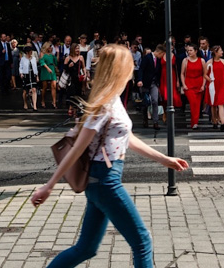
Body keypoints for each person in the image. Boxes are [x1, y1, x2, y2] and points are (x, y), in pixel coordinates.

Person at [30, 45, 189, 268]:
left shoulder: (112, 100)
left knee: (86, 248)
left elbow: (128, 139)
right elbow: (76, 150)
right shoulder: (103, 105)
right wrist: (49, 186)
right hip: (106, 181)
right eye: (129, 64)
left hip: (100, 183)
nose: (133, 68)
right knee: (142, 241)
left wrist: (165, 160)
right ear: (119, 69)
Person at [138, 45, 165, 129]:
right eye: (162, 54)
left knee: (155, 100)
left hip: (154, 83)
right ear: (159, 52)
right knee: (145, 102)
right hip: (146, 82)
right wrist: (140, 80)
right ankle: (145, 119)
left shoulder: (159, 60)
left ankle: (155, 121)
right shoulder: (147, 58)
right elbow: (141, 69)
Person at [180, 44, 205, 129]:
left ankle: (195, 122)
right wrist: (184, 84)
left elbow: (204, 74)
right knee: (193, 102)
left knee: (197, 104)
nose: (189, 52)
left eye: (191, 50)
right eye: (188, 50)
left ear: (196, 51)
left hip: (199, 83)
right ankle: (194, 122)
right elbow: (182, 73)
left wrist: (203, 85)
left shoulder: (201, 60)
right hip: (189, 84)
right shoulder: (185, 60)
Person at [205, 46, 224, 130]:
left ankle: (222, 122)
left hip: (222, 85)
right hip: (213, 85)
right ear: (216, 52)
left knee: (221, 103)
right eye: (221, 50)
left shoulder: (223, 62)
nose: (222, 52)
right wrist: (209, 80)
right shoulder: (209, 63)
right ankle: (214, 121)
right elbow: (204, 74)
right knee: (213, 104)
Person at [60, 45, 86, 116]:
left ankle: (75, 109)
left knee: (77, 94)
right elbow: (64, 69)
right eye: (76, 48)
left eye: (78, 48)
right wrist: (69, 66)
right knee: (71, 93)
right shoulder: (68, 58)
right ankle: (70, 108)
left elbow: (83, 67)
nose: (77, 50)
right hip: (70, 79)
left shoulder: (81, 58)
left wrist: (85, 74)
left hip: (78, 79)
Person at [39, 42, 59, 109]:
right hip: (45, 70)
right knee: (45, 87)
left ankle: (54, 102)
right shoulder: (42, 54)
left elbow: (56, 62)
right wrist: (47, 68)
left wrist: (56, 54)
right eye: (49, 47)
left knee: (53, 86)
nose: (51, 48)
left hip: (52, 69)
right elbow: (42, 62)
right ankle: (43, 100)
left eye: (51, 47)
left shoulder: (52, 55)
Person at [20, 45, 39, 111]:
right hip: (26, 75)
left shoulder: (33, 58)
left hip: (32, 74)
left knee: (34, 89)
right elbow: (21, 67)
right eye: (30, 51)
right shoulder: (23, 59)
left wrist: (37, 76)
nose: (31, 52)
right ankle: (25, 103)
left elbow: (35, 67)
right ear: (27, 52)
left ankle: (34, 106)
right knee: (25, 91)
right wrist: (21, 73)